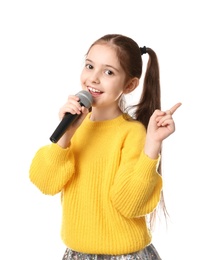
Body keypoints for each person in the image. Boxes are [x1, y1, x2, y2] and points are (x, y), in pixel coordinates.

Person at [29, 33, 181, 260]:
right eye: (90, 66)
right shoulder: (74, 127)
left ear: (129, 85)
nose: (94, 78)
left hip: (125, 255)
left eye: (108, 72)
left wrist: (152, 146)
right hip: (77, 254)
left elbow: (130, 204)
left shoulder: (132, 133)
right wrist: (65, 138)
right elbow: (45, 183)